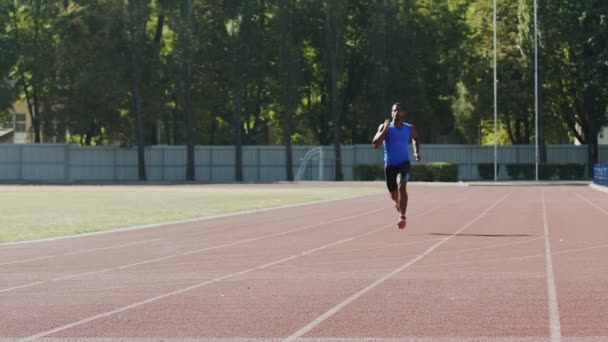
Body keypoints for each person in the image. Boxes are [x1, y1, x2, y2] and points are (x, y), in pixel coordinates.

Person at [372, 102, 421, 229]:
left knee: (402, 186)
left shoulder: (409, 128)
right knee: (394, 196)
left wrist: (416, 152)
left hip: (403, 163)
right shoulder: (385, 127)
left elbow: (416, 138)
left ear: (404, 113)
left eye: (399, 110)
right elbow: (376, 144)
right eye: (394, 110)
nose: (396, 113)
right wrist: (385, 129)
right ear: (391, 113)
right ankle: (399, 207)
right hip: (390, 166)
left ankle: (402, 216)